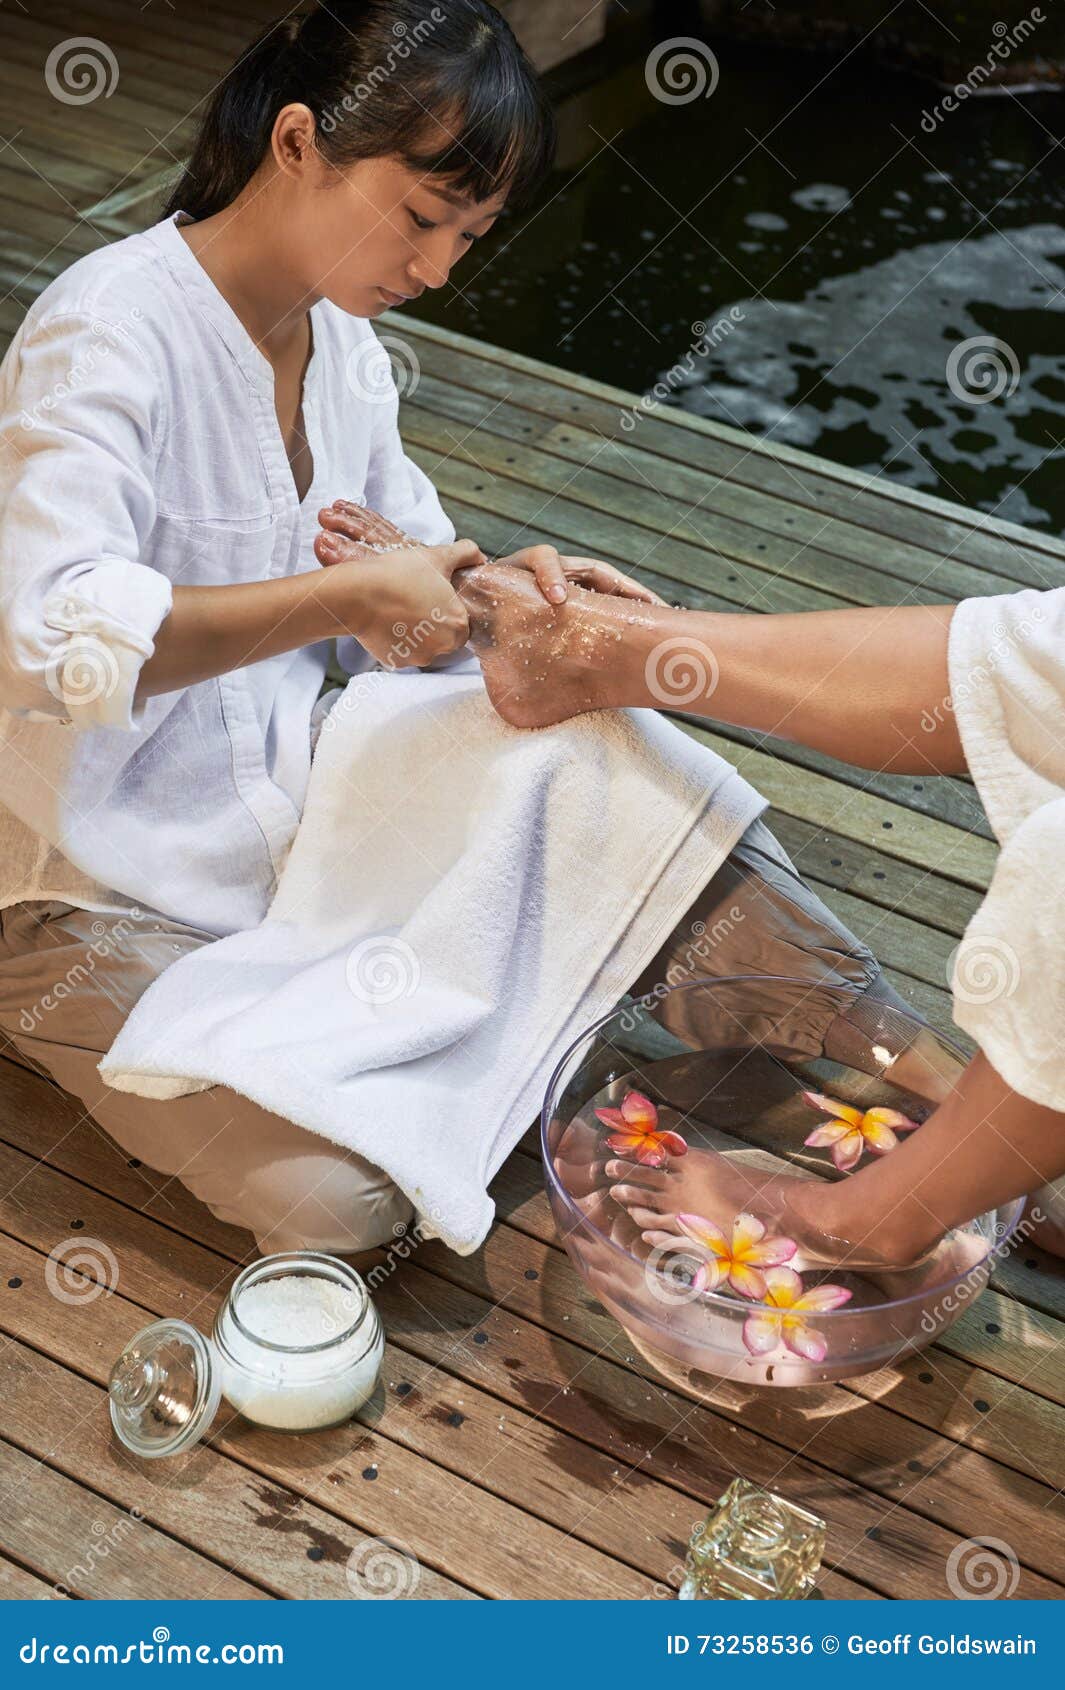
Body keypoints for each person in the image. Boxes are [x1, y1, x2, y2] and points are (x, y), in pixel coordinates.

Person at [0, 2, 918, 1259]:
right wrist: (348, 601)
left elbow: (408, 595)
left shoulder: (344, 345)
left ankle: (958, 1102)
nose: (436, 270)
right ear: (297, 142)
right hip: (92, 892)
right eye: (422, 218)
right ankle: (531, 1023)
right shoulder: (105, 331)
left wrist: (508, 604)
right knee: (349, 1200)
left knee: (623, 767)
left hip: (299, 806)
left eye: (470, 237)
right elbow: (56, 640)